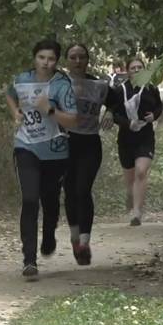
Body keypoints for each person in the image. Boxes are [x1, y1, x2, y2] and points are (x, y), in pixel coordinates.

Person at [6, 38, 80, 281]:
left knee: (49, 201)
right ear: (34, 58)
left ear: (56, 61)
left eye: (51, 59)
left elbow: (73, 120)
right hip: (25, 146)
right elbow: (10, 94)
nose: (46, 63)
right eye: (41, 58)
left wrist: (49, 109)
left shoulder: (61, 84)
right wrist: (15, 111)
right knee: (29, 199)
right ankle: (29, 260)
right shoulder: (21, 79)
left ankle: (49, 232)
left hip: (55, 152)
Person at [61, 43, 121, 265]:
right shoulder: (58, 83)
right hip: (64, 144)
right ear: (66, 60)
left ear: (87, 60)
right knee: (69, 192)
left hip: (89, 144)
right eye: (73, 57)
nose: (77, 61)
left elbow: (117, 102)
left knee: (83, 190)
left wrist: (111, 113)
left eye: (81, 57)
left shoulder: (98, 85)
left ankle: (85, 242)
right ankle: (75, 237)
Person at [110, 58, 163, 226]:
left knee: (141, 172)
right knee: (130, 178)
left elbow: (159, 107)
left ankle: (137, 212)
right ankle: (131, 196)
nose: (137, 70)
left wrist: (154, 116)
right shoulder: (120, 91)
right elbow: (114, 115)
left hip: (145, 137)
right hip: (126, 138)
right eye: (133, 68)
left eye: (140, 67)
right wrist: (127, 123)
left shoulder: (151, 88)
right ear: (128, 71)